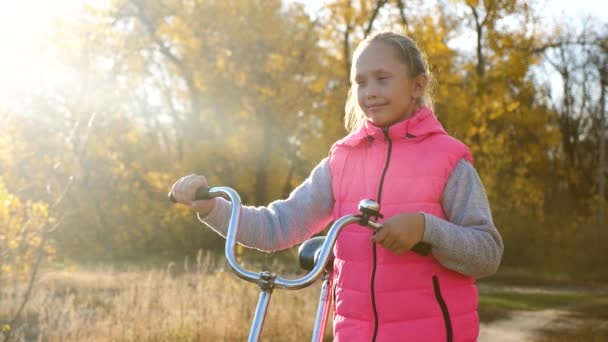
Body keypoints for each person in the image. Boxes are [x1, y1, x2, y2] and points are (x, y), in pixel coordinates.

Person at [170, 31, 503, 342]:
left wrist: (426, 229)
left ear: (417, 86)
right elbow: (278, 226)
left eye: (382, 79)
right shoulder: (342, 159)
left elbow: (486, 254)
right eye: (360, 82)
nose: (370, 91)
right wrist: (213, 208)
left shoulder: (446, 159)